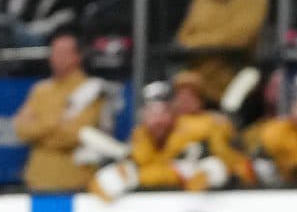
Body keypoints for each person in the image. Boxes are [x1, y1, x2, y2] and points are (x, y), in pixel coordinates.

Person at [90, 75, 255, 198]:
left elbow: (232, 164)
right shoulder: (140, 136)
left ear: (175, 112)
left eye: (163, 112)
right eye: (151, 113)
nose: (157, 121)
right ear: (143, 115)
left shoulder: (201, 129)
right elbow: (145, 167)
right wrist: (116, 176)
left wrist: (221, 171)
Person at [14, 31, 109, 192]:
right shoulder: (40, 90)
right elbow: (21, 130)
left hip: (77, 181)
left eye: (63, 53)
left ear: (77, 57)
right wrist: (57, 123)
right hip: (38, 180)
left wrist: (40, 130)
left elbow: (78, 134)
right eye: (54, 52)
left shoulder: (91, 90)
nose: (56, 57)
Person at [174, 0, 269, 110]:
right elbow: (183, 37)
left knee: (240, 88)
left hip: (236, 70)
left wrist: (197, 43)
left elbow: (240, 38)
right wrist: (200, 43)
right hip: (198, 73)